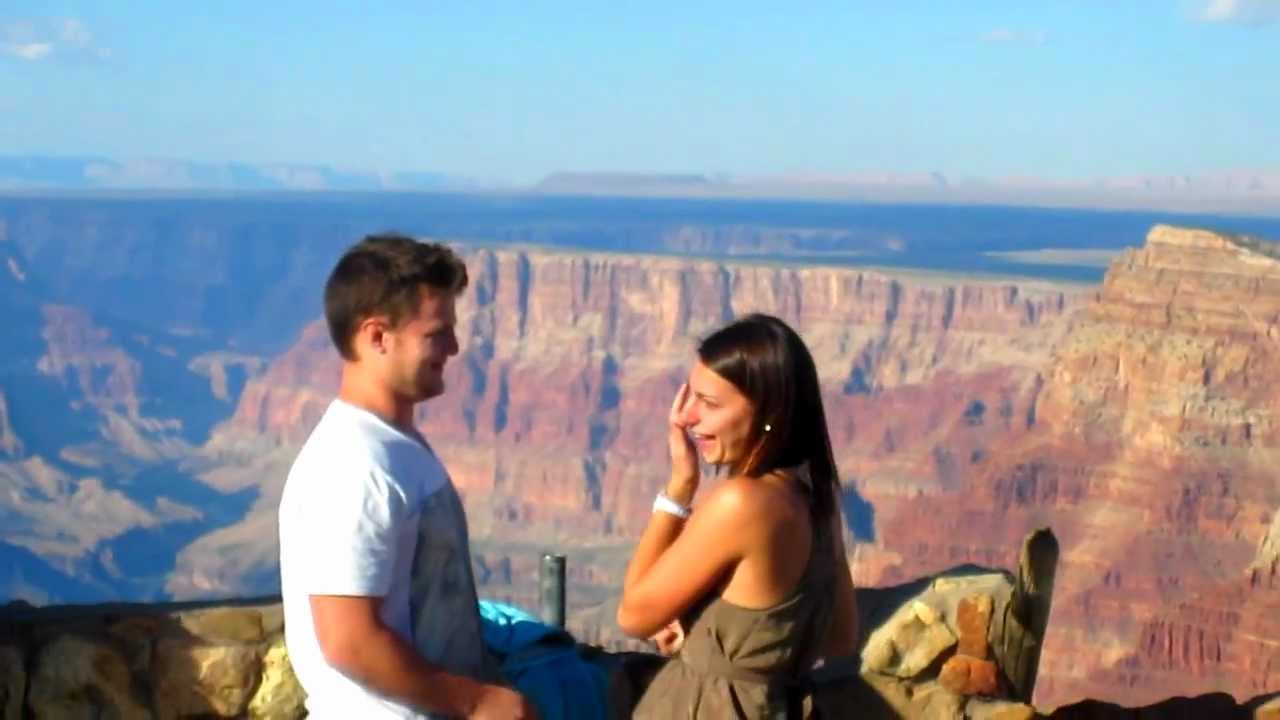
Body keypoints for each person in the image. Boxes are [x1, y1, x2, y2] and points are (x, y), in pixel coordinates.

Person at [278, 233, 537, 719]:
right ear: (377, 336)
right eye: (437, 334)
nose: (455, 347)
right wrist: (476, 702)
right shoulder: (355, 465)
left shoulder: (392, 445)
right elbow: (348, 638)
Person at [616, 313, 859, 719]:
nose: (687, 416)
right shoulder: (816, 499)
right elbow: (840, 637)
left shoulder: (742, 503)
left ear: (768, 413)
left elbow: (635, 615)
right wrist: (710, 641)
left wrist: (680, 487)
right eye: (690, 396)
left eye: (709, 403)